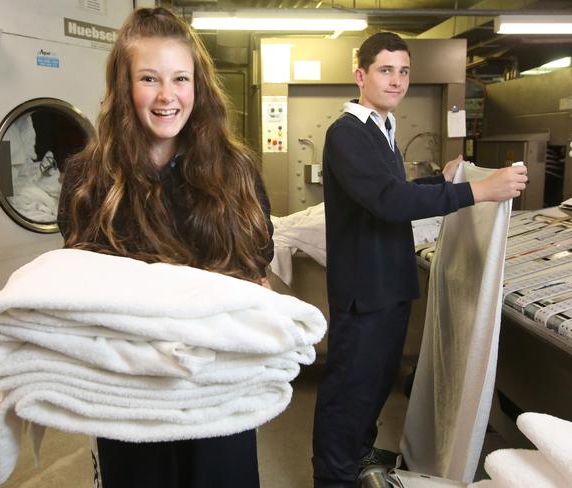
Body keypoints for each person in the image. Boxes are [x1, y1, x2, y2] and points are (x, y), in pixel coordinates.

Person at [57, 7, 273, 488]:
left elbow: (258, 274)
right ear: (123, 85)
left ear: (198, 86)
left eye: (180, 78)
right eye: (149, 78)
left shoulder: (235, 173)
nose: (167, 96)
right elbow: (77, 295)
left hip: (218, 397)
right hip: (133, 403)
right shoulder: (90, 178)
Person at [312, 32, 528, 488]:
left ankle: (355, 454)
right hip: (365, 291)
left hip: (387, 286)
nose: (396, 80)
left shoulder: (382, 130)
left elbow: (397, 193)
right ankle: (332, 477)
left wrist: (439, 180)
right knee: (349, 390)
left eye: (404, 71)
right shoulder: (347, 133)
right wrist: (478, 192)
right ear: (360, 75)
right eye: (385, 70)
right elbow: (388, 202)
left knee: (373, 386)